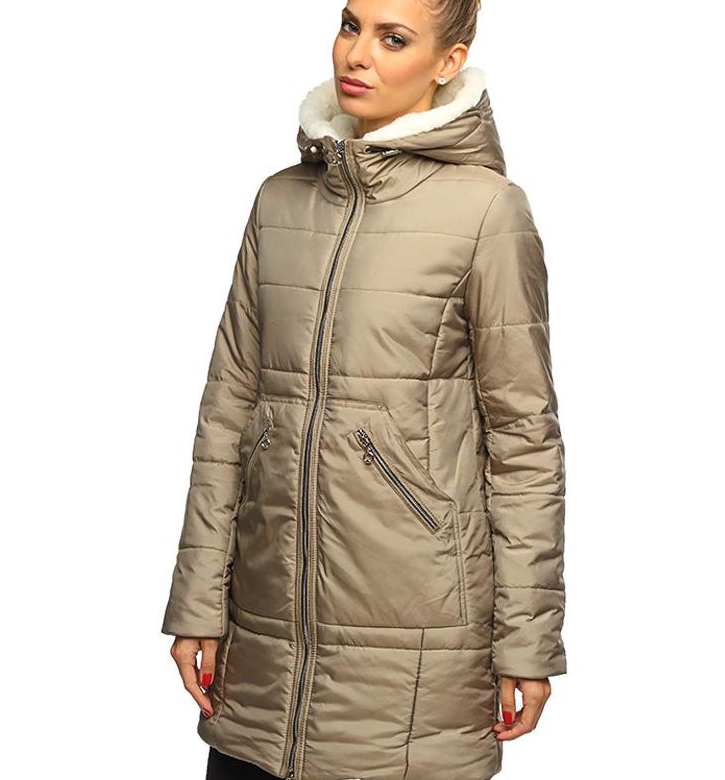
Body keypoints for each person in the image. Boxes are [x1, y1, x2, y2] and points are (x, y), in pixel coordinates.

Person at [161, 1, 567, 779]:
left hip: (419, 654)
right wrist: (199, 602)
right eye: (351, 25)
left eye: (394, 38)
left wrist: (527, 641)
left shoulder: (487, 212)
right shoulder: (279, 202)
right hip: (262, 648)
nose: (358, 54)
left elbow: (525, 441)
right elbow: (228, 410)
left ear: (449, 62)